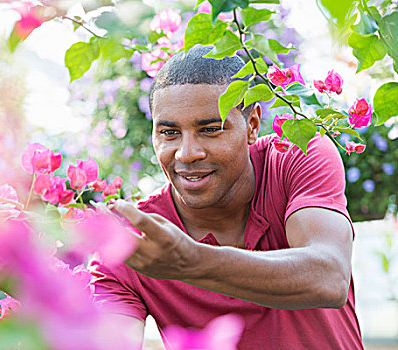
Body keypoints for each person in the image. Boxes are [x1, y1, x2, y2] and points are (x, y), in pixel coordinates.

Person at [90, 46, 364, 349]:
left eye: (210, 129)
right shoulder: (135, 243)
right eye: (169, 133)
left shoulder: (294, 155)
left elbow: (329, 278)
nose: (187, 153)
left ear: (253, 126)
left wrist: (190, 262)